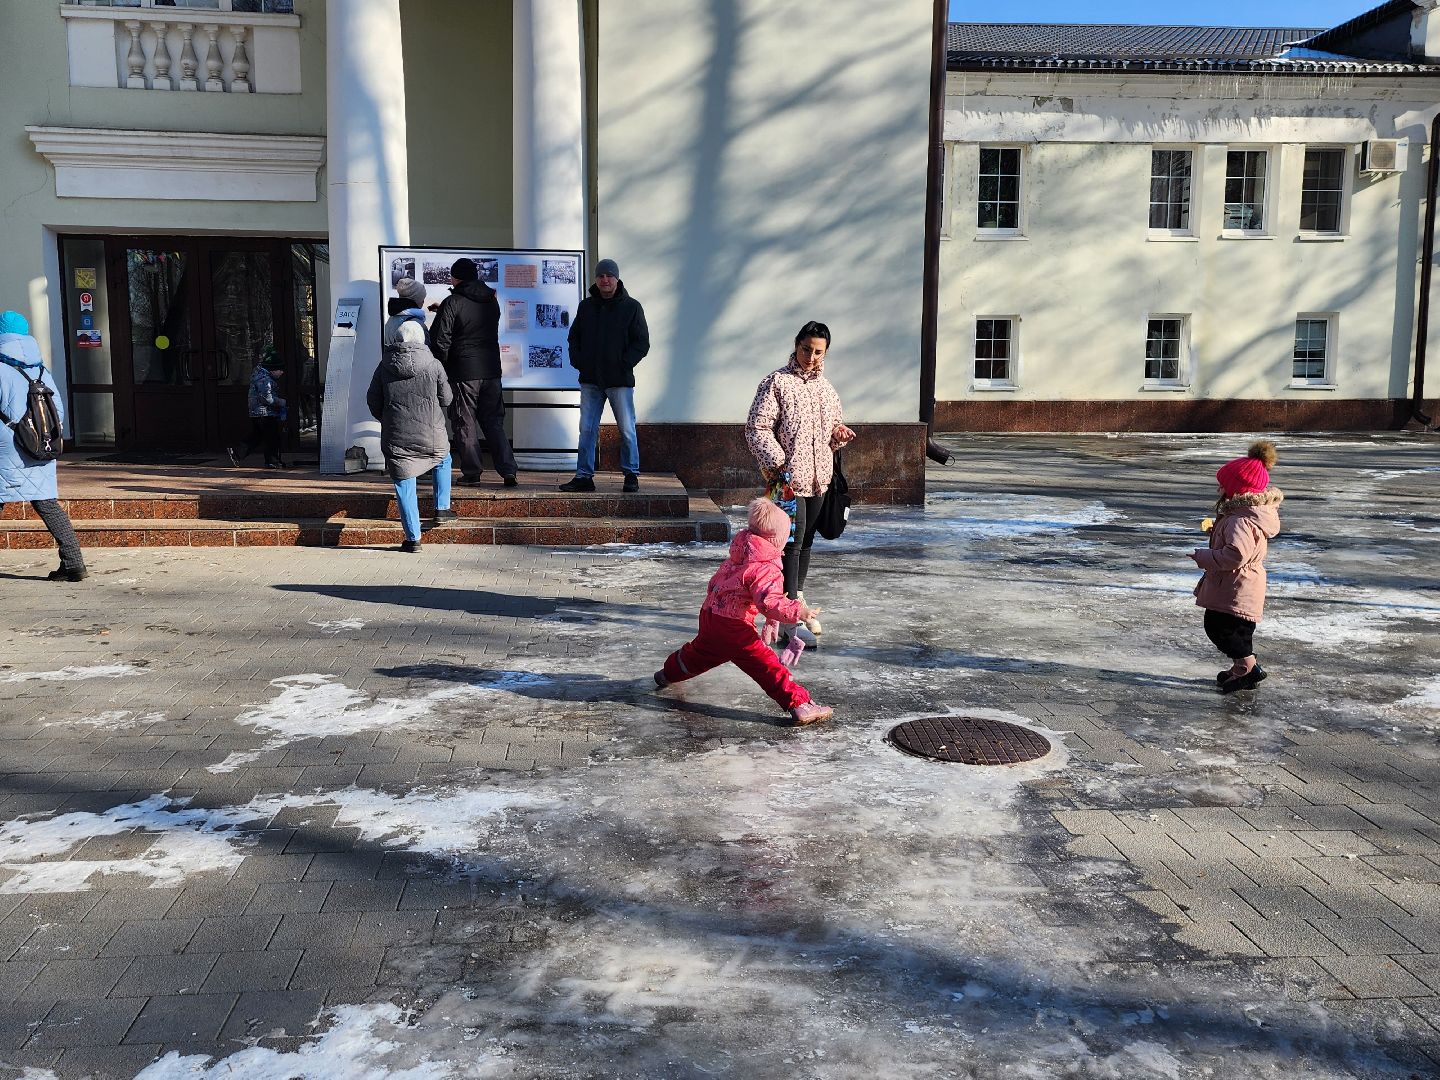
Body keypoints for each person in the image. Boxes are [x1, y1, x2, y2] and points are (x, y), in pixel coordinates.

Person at [655, 498, 832, 725]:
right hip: (734, 628)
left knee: (699, 653)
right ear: (777, 539)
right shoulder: (765, 565)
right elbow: (769, 601)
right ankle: (799, 704)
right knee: (767, 667)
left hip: (710, 617)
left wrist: (769, 621)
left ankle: (667, 673)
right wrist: (799, 611)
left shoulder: (738, 556)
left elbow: (715, 585)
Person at [744, 320, 856, 648]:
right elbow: (757, 427)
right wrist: (779, 463)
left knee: (805, 542)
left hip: (819, 479)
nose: (811, 356)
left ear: (826, 353)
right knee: (789, 544)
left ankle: (794, 603)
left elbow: (831, 427)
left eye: (818, 351)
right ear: (796, 345)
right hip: (786, 480)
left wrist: (839, 435)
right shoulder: (776, 382)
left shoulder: (826, 389)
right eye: (806, 349)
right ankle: (789, 619)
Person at [1190, 440, 1282, 694]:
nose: (1219, 487)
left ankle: (1248, 667)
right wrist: (1217, 529)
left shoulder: (1239, 520)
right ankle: (1241, 667)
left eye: (1224, 484)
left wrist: (1204, 556)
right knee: (1238, 631)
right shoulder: (1244, 516)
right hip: (1241, 584)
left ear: (1237, 490)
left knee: (1220, 628)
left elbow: (1235, 555)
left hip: (1234, 585)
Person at [0, 310, 86, 582]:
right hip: (39, 444)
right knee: (47, 503)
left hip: (6, 447)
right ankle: (73, 563)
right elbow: (56, 409)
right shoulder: (40, 368)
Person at [559, 258, 650, 493]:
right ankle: (583, 476)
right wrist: (578, 361)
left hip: (619, 380)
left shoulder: (632, 307)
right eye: (601, 276)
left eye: (610, 275)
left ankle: (631, 474)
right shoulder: (586, 307)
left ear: (617, 278)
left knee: (627, 429)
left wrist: (624, 363)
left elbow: (642, 343)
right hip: (590, 379)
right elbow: (574, 337)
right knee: (587, 429)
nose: (605, 279)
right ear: (596, 279)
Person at [367, 316, 455, 554]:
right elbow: (446, 399)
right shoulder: (434, 364)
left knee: (404, 484)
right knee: (443, 459)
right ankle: (442, 508)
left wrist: (387, 419)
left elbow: (373, 399)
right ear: (422, 338)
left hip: (397, 437)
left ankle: (413, 539)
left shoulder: (384, 365)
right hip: (431, 433)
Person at [430, 257, 517, 488]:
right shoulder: (491, 301)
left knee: (464, 422)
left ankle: (472, 472)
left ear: (455, 278)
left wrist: (445, 366)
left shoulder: (453, 301)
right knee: (493, 422)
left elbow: (441, 340)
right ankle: (508, 471)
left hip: (464, 372)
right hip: (491, 369)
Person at [229, 346, 288, 468]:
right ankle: (272, 461)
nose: (282, 372)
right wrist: (281, 402)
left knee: (257, 435)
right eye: (280, 370)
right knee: (272, 438)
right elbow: (267, 398)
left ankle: (238, 452)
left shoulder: (260, 376)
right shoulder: (264, 379)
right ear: (272, 369)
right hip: (265, 413)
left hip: (257, 413)